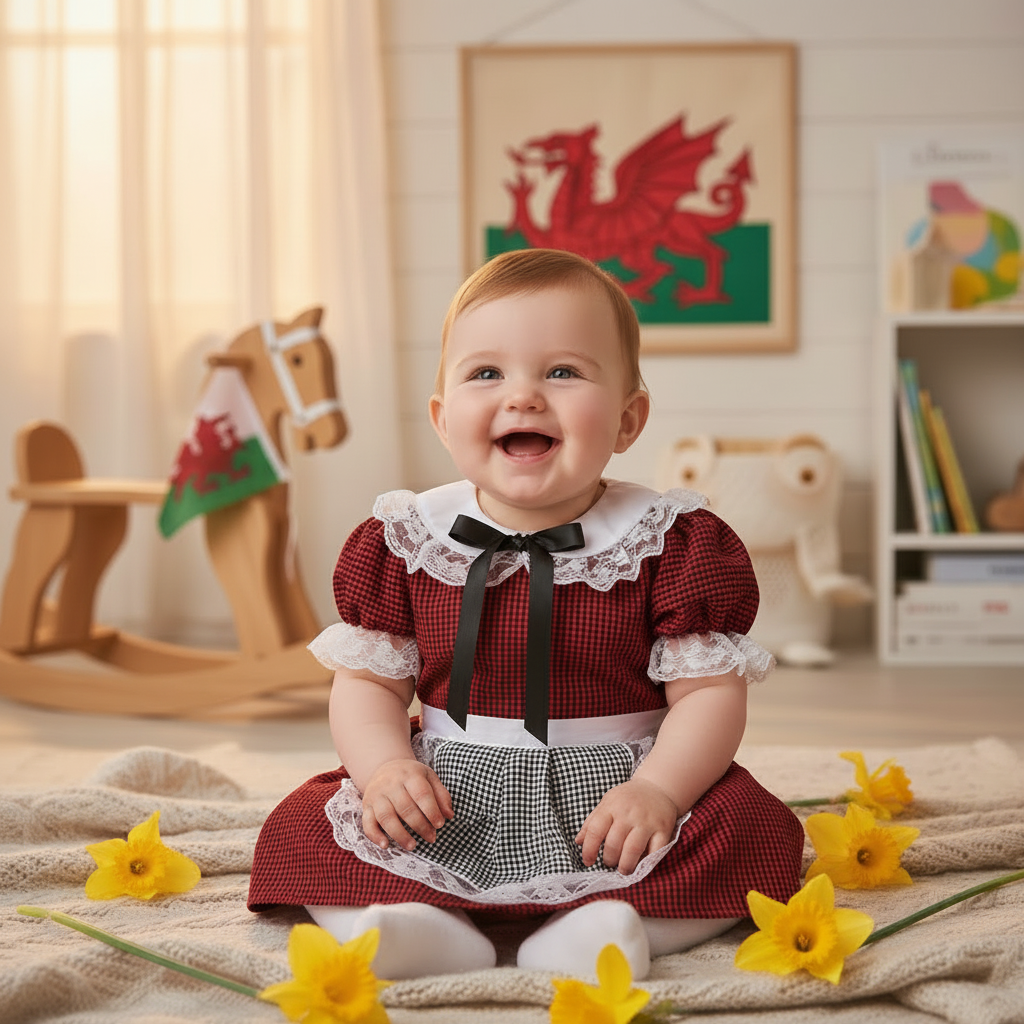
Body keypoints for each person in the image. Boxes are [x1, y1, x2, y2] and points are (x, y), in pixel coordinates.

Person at [248, 248, 804, 980]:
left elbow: (707, 693)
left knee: (754, 831)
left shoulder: (669, 542)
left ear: (629, 419)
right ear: (445, 421)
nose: (524, 397)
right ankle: (412, 929)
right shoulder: (408, 539)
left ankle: (610, 933)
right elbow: (369, 684)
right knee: (306, 827)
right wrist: (384, 769)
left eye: (563, 372)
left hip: (615, 794)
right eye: (487, 373)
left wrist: (660, 790)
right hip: (450, 790)